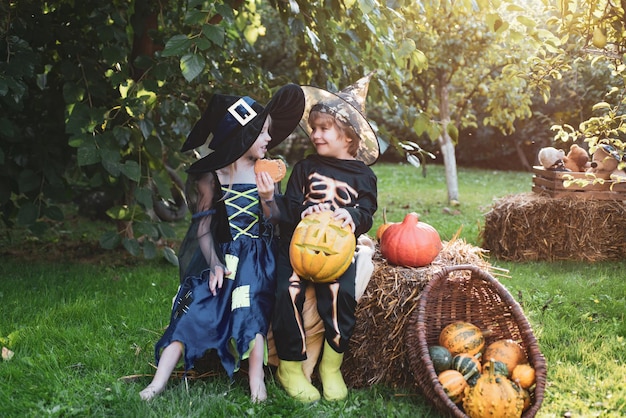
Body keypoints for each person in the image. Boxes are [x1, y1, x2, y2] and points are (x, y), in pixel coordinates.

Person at [139, 84, 305, 402]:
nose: (270, 139)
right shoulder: (211, 177)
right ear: (242, 136)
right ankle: (158, 381)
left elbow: (275, 221)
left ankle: (257, 380)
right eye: (263, 133)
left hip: (259, 258)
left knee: (249, 303)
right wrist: (214, 264)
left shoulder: (266, 172)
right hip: (225, 257)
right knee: (200, 301)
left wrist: (269, 198)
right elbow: (202, 227)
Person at [271, 72, 379, 402]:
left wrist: (351, 216)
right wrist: (301, 212)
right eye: (314, 128)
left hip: (337, 250)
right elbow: (289, 208)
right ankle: (289, 367)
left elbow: (367, 212)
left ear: (348, 135)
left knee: (340, 294)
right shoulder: (305, 168)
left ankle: (331, 367)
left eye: (323, 128)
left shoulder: (364, 175)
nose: (315, 134)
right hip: (298, 246)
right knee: (286, 292)